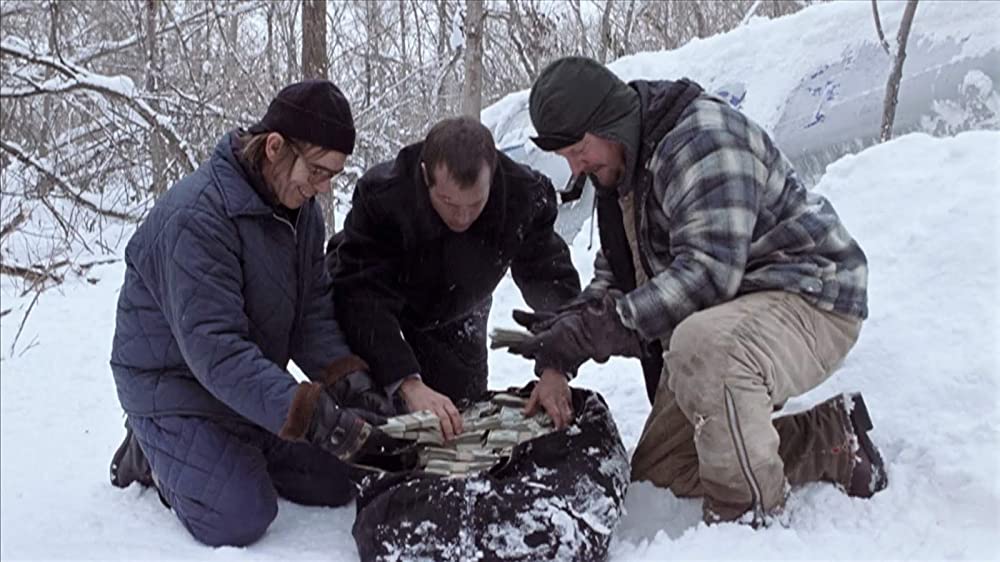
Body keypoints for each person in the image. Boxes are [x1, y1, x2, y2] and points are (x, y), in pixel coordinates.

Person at [509, 56, 888, 526]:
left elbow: (709, 276)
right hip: (732, 317)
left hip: (811, 297)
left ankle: (744, 516)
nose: (576, 167)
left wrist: (608, 327)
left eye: (578, 149)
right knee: (663, 470)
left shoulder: (701, 141)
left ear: (609, 121)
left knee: (704, 347)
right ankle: (831, 438)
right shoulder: (624, 170)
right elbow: (617, 277)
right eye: (566, 156)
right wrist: (561, 347)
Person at [108, 80, 394, 547]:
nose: (322, 188)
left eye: (332, 177)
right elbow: (216, 351)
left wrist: (350, 385)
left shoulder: (300, 211)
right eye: (317, 171)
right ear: (275, 147)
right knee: (240, 515)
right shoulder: (198, 216)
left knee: (339, 477)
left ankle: (236, 445)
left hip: (238, 383)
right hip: (172, 385)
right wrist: (311, 414)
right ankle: (148, 450)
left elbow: (311, 315)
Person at [327, 116, 581, 439]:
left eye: (475, 203)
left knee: (456, 418)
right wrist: (407, 381)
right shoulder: (383, 197)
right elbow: (362, 296)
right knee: (377, 424)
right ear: (425, 175)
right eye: (447, 202)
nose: (461, 217)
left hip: (456, 306)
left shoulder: (523, 195)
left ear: (494, 175)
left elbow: (552, 281)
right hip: (376, 304)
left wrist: (556, 365)